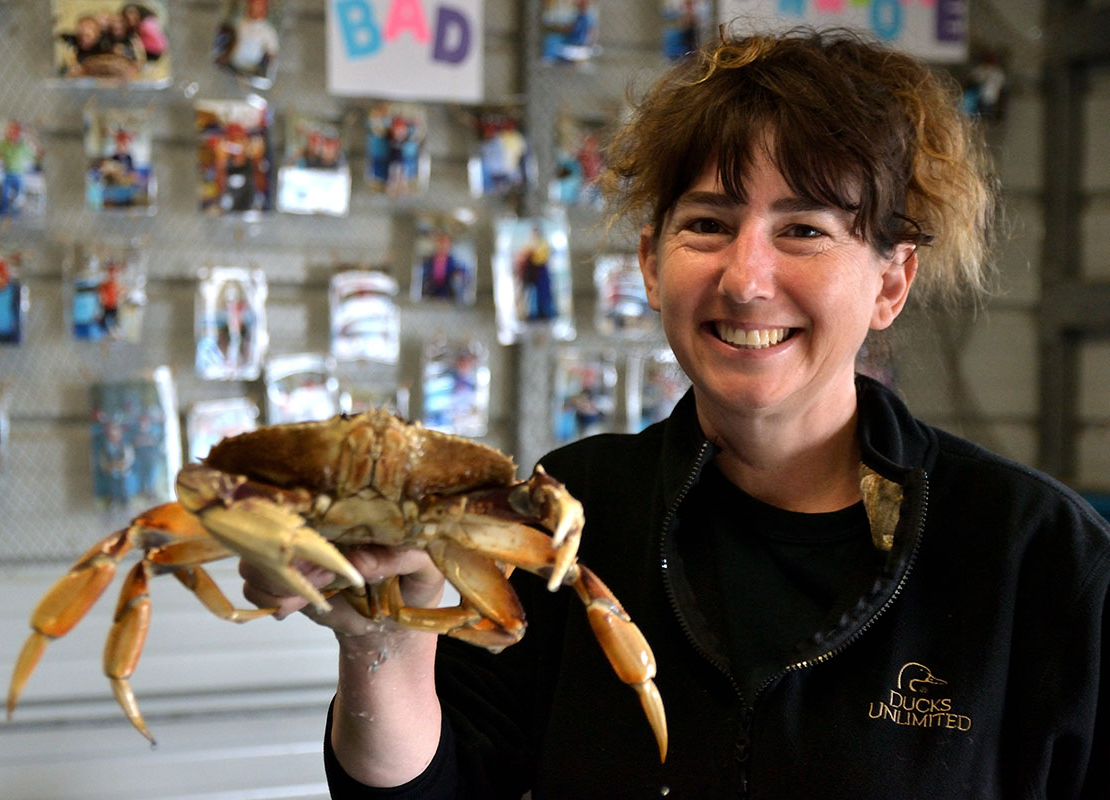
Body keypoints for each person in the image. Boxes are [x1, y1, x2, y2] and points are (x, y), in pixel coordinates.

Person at [239, 28, 1110, 797]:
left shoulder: (1037, 557)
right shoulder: (562, 514)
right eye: (708, 224)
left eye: (803, 229)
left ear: (891, 280)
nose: (745, 277)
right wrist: (378, 642)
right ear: (652, 266)